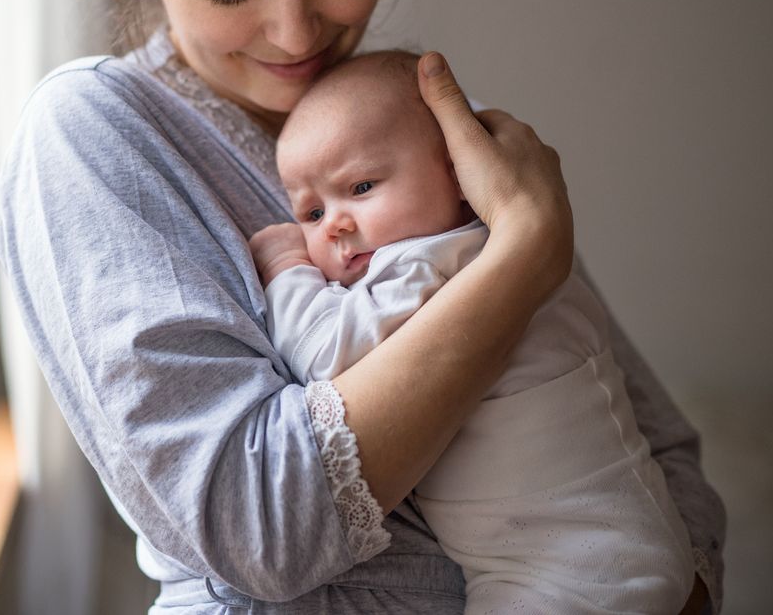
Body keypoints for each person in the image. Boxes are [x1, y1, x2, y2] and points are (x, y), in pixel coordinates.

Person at [0, 0, 724, 611]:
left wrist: (670, 585)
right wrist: (521, 257)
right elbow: (256, 527)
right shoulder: (91, 134)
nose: (296, 30)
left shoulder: (422, 115)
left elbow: (657, 444)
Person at [250, 50, 696, 612]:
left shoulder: (432, 263)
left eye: (361, 186)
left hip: (572, 563)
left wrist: (287, 271)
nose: (335, 223)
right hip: (586, 549)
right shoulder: (487, 252)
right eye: (311, 213)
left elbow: (324, 355)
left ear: (459, 173)